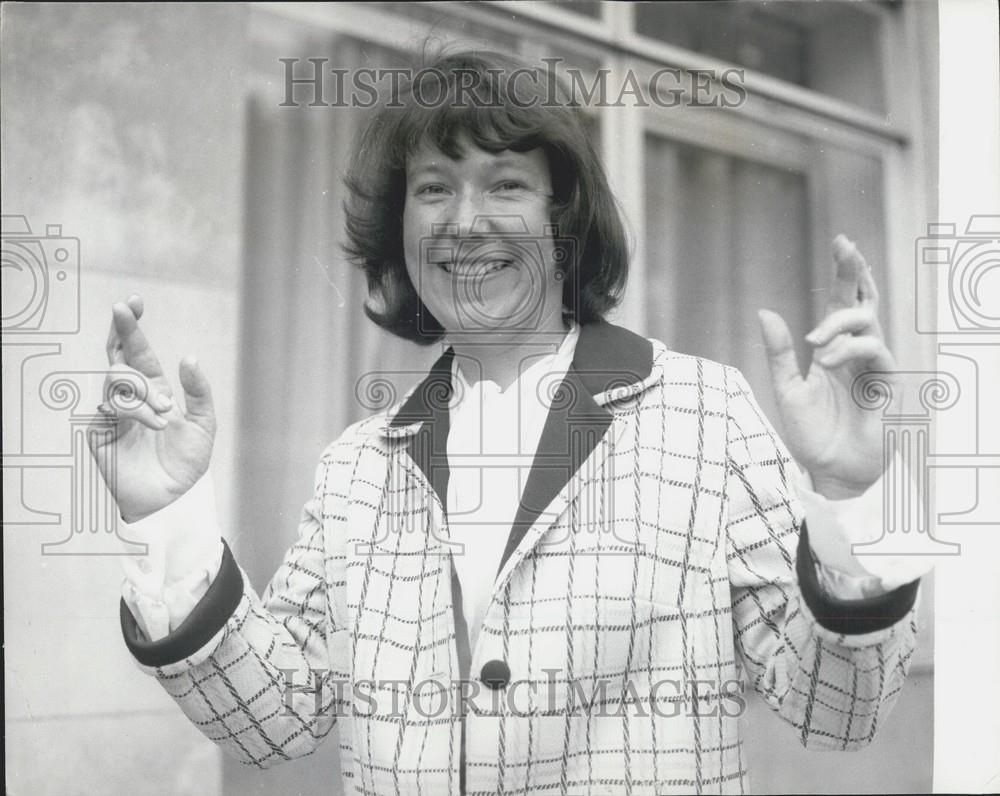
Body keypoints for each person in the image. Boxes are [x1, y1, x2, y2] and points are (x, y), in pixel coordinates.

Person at [91, 50, 925, 795]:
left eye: (506, 184)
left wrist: (849, 498)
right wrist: (169, 519)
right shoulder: (357, 466)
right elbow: (274, 720)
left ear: (566, 222)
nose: (464, 221)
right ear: (401, 231)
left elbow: (835, 712)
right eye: (433, 189)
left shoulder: (706, 414)